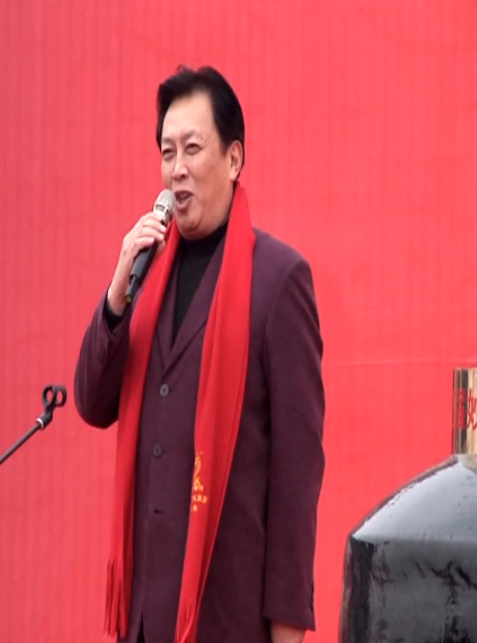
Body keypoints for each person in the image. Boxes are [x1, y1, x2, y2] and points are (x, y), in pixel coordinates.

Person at [73, 65, 325, 643]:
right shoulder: (146, 273)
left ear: (234, 159)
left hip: (228, 617)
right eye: (167, 153)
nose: (176, 169)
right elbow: (92, 402)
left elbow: (296, 474)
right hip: (145, 617)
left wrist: (287, 627)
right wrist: (116, 295)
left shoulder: (278, 279)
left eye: (192, 149)